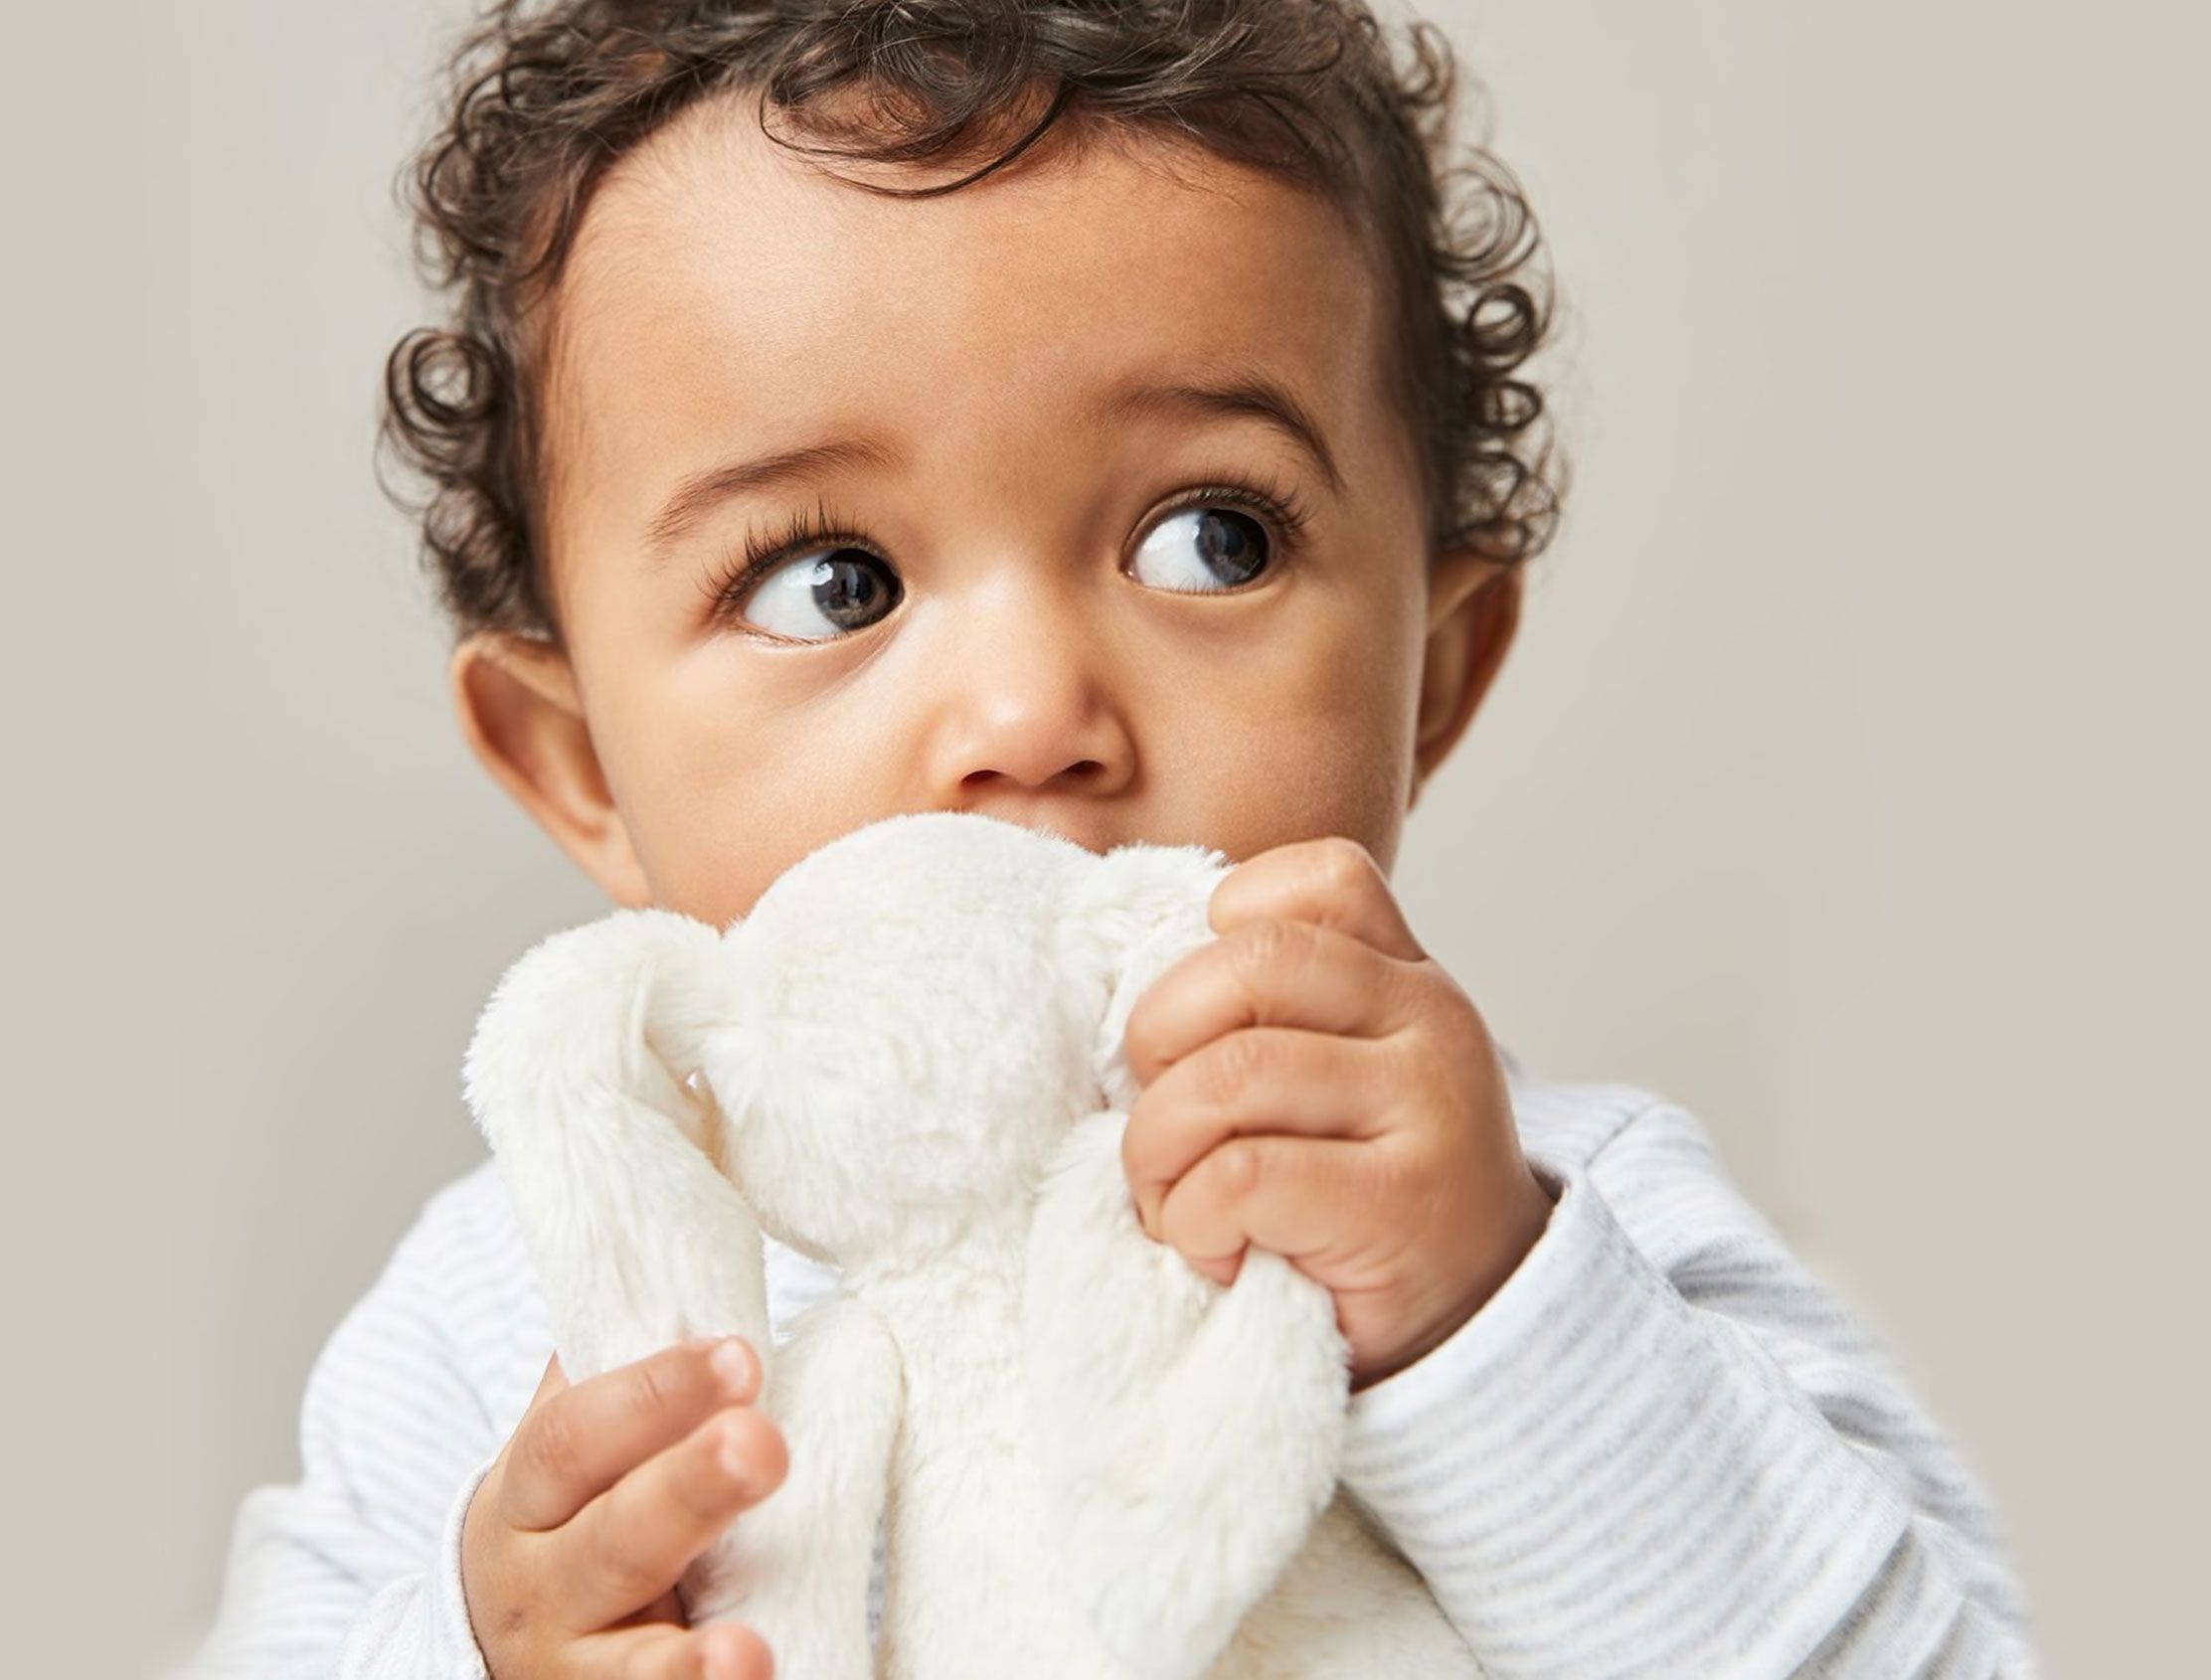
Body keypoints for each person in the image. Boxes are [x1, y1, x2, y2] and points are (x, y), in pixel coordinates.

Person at [179, 2, 2039, 1675]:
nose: (1030, 712)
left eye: (1210, 537)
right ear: (582, 768)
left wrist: (1489, 1328)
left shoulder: (1560, 1218)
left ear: (1435, 672)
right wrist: (477, 1643)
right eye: (833, 581)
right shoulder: (519, 1291)